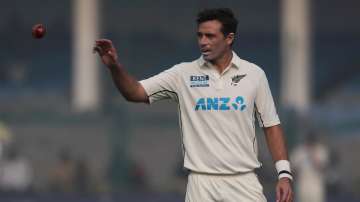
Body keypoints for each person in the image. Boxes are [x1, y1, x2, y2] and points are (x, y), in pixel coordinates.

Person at [94, 8, 293, 202]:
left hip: (243, 180)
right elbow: (135, 92)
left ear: (229, 38)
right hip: (201, 183)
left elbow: (271, 124)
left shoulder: (254, 75)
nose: (203, 42)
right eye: (200, 36)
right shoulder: (183, 74)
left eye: (210, 36)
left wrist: (284, 174)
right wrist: (114, 67)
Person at [291, 132, 329, 202]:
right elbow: (293, 169)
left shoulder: (320, 150)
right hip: (302, 185)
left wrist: (312, 155)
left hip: (316, 185)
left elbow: (323, 168)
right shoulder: (299, 151)